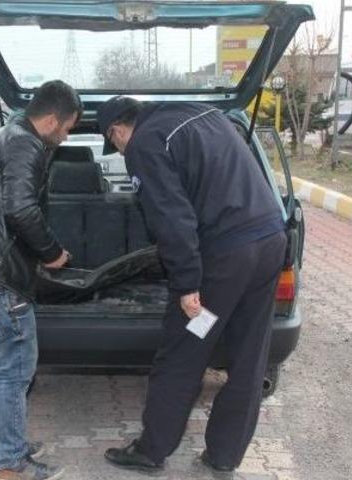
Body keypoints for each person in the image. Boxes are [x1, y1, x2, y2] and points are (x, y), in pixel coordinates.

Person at [98, 96, 288, 474]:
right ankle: (224, 456)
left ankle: (151, 451)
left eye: (116, 146)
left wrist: (187, 284)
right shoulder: (203, 113)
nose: (121, 152)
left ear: (117, 130)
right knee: (250, 357)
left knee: (183, 353)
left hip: (226, 257)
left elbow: (172, 218)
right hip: (270, 241)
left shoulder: (145, 142)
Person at [0, 80, 82, 480]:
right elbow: (20, 208)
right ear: (53, 119)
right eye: (69, 127)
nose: (67, 135)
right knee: (14, 369)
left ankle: (4, 446)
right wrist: (53, 253)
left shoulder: (5, 137)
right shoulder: (26, 143)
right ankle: (11, 465)